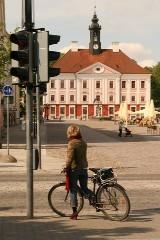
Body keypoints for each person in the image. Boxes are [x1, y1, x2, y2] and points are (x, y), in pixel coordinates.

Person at [65, 124, 94, 220]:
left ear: (70, 132)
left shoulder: (72, 143)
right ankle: (95, 199)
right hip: (84, 168)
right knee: (84, 188)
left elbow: (70, 158)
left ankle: (74, 212)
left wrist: (66, 167)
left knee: (73, 190)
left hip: (74, 169)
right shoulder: (83, 142)